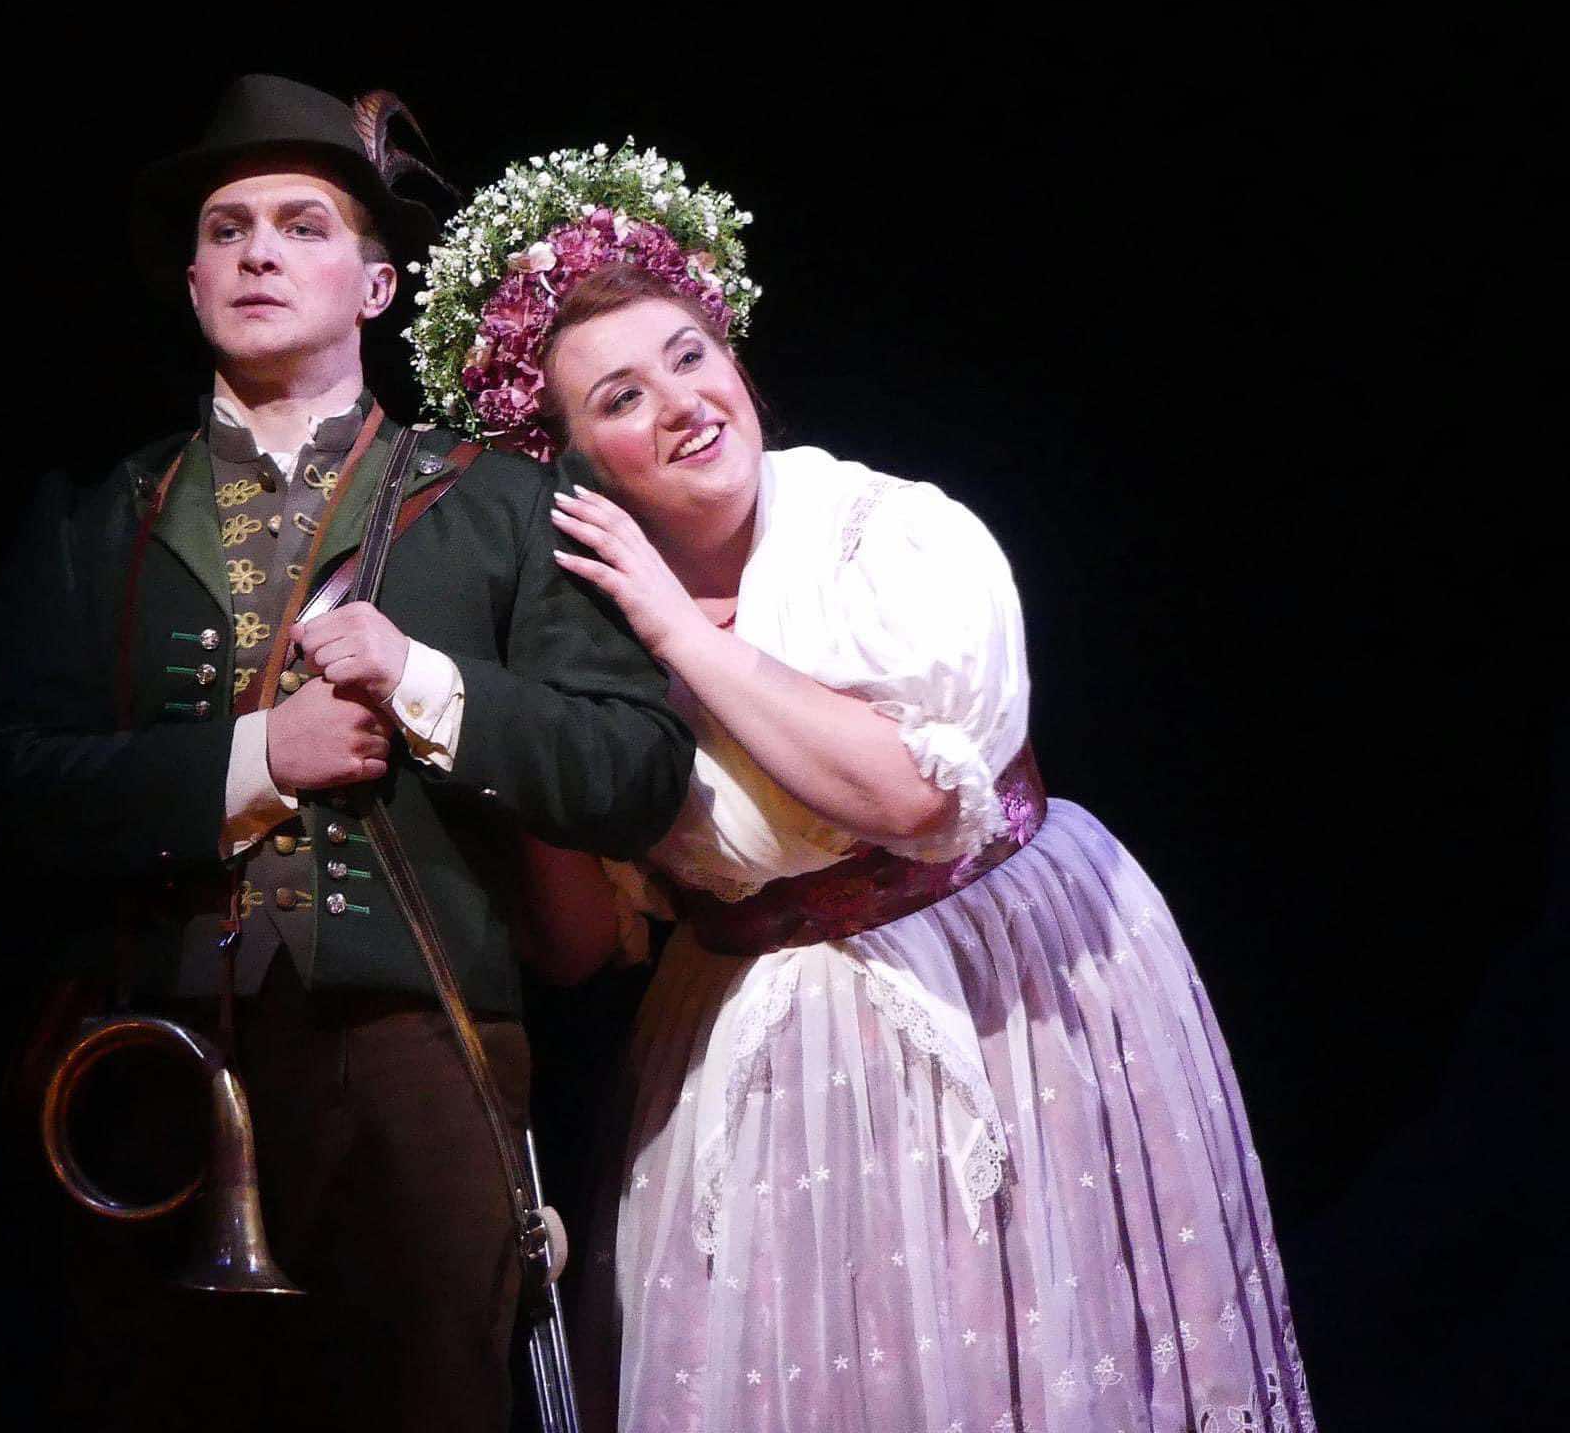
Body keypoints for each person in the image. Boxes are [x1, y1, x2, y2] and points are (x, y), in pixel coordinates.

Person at [408, 143, 1316, 1431]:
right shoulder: (591, 641)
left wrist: (681, 634)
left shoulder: (883, 532)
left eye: (689, 355)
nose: (680, 403)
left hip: (1004, 984)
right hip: (771, 1052)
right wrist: (502, 720)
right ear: (571, 463)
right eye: (620, 397)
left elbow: (910, 802)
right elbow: (575, 946)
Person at [0, 79, 693, 1432]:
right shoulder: (94, 519)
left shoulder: (504, 503)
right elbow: (4, 792)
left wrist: (423, 682)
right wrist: (259, 758)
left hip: (421, 1069)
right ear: (193, 280)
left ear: (373, 285)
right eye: (227, 228)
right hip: (151, 1068)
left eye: (301, 226)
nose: (258, 252)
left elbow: (634, 769)